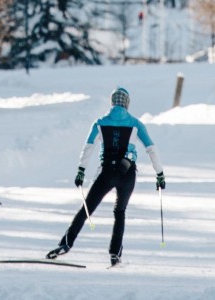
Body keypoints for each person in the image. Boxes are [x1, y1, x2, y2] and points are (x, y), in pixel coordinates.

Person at [46, 87, 165, 267]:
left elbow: (88, 147)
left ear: (112, 102)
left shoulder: (100, 122)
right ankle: (115, 254)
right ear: (127, 103)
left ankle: (65, 244)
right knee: (120, 212)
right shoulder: (136, 124)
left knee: (87, 209)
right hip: (127, 174)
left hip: (107, 173)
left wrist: (81, 170)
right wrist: (160, 174)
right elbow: (151, 149)